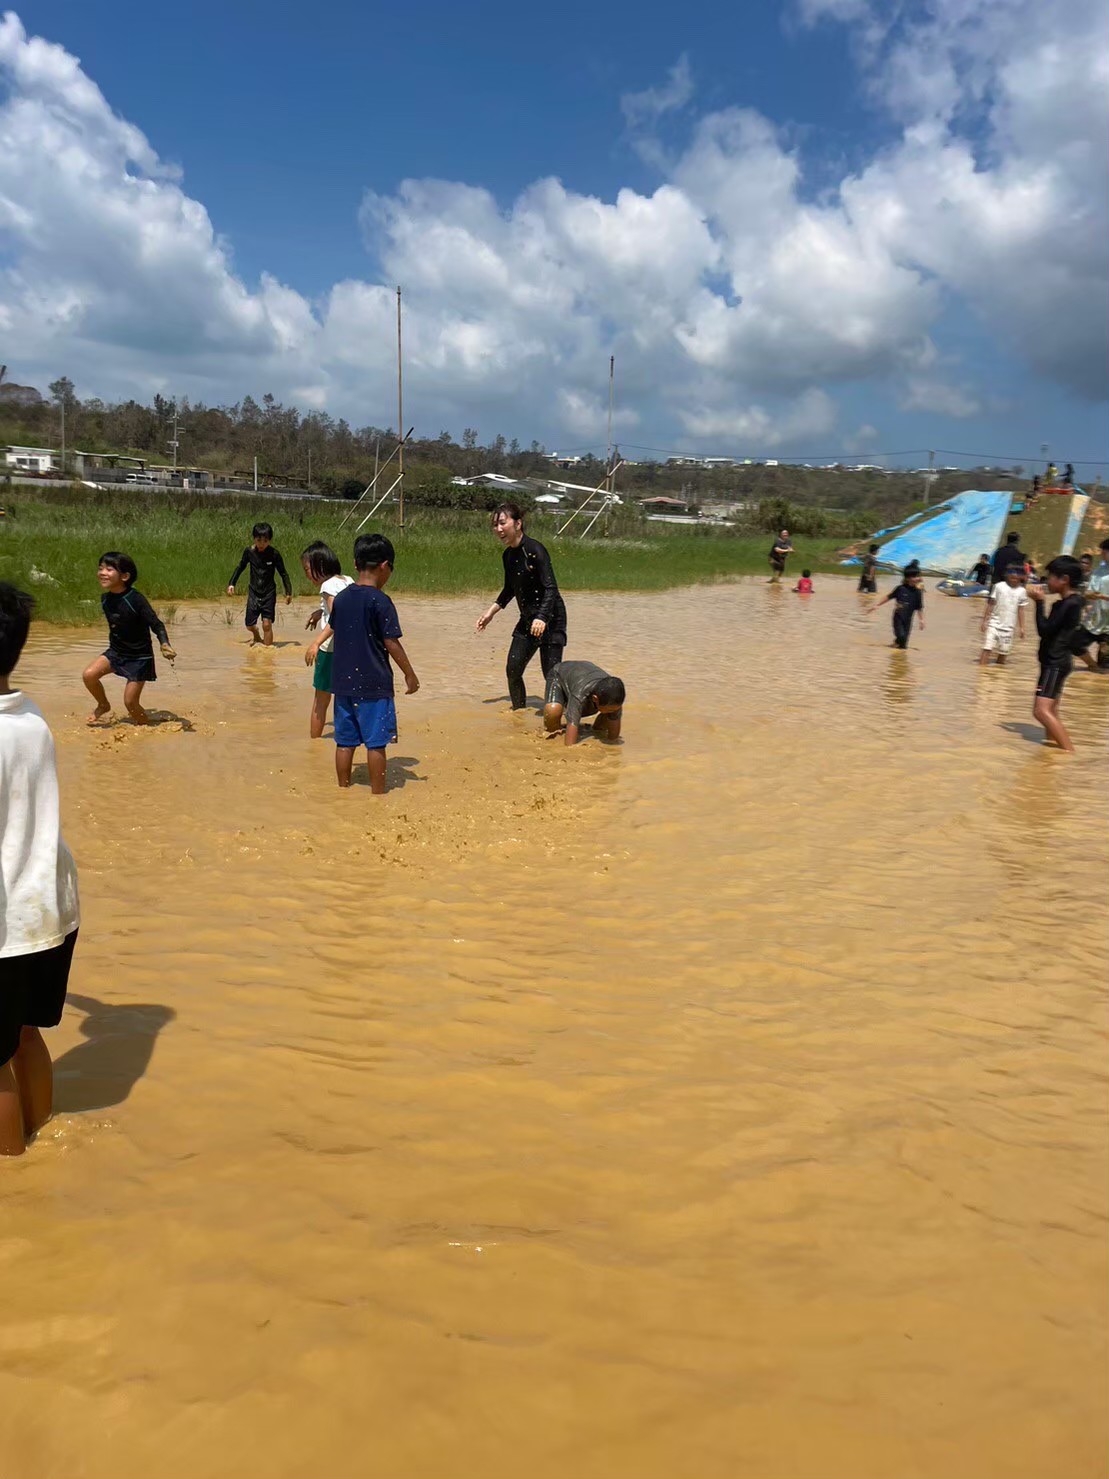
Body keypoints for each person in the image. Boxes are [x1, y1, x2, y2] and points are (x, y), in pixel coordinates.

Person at [0, 584, 80, 1156]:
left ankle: (18, 1174)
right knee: (25, 1038)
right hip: (50, 911)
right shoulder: (29, 716)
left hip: (6, 924)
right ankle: (45, 1137)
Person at [328, 533, 419, 794]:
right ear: (384, 566)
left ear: (356, 564)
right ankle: (378, 796)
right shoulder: (381, 601)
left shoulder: (342, 599)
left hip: (343, 685)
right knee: (376, 744)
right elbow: (391, 643)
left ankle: (342, 790)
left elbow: (337, 633)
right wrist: (409, 674)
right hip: (374, 686)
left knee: (344, 743)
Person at [475, 503, 567, 710]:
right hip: (528, 619)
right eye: (494, 525)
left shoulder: (535, 550)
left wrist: (542, 617)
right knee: (513, 669)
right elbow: (510, 588)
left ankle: (566, 716)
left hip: (551, 618)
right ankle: (518, 714)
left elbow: (551, 588)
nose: (498, 529)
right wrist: (490, 613)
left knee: (551, 675)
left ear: (518, 523)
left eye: (502, 523)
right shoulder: (508, 555)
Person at [83, 552, 176, 726]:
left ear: (125, 576)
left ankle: (145, 729)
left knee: (130, 703)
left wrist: (165, 643)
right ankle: (103, 705)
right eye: (100, 568)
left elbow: (156, 624)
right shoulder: (105, 599)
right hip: (116, 652)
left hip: (139, 658)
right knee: (89, 675)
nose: (102, 572)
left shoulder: (136, 600)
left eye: (109, 569)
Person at [1027, 555, 1084, 752]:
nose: (1047, 580)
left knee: (1040, 711)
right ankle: (1051, 754)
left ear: (1064, 579)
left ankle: (1068, 752)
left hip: (1055, 663)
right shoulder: (1067, 603)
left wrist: (1039, 603)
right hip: (1056, 662)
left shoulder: (1070, 603)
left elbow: (1044, 629)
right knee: (1051, 710)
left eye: (1051, 576)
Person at [301, 541, 354, 739]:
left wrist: (316, 643)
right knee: (347, 697)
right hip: (349, 649)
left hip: (330, 650)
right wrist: (319, 612)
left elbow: (337, 616)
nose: (306, 574)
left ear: (319, 566)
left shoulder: (327, 585)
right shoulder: (347, 580)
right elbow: (344, 609)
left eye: (307, 569)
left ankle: (314, 745)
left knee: (320, 701)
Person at [226, 522, 292, 645]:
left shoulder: (274, 554)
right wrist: (231, 584)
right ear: (254, 538)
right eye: (259, 540)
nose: (262, 544)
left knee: (267, 624)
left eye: (265, 541)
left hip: (269, 593)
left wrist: (288, 592)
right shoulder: (249, 552)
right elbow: (240, 567)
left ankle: (267, 654)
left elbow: (283, 573)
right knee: (249, 625)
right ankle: (256, 634)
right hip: (254, 593)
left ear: (270, 540)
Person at [543, 661, 625, 747]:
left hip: (585, 676)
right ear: (595, 699)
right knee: (553, 711)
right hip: (558, 674)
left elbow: (614, 738)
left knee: (611, 713)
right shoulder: (580, 694)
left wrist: (613, 748)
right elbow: (570, 742)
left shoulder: (614, 693)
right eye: (610, 710)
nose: (614, 711)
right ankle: (553, 734)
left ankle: (597, 730)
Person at [979, 565, 1030, 666]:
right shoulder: (999, 586)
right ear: (1007, 575)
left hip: (1008, 628)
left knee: (1003, 653)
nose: (1014, 579)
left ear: (1021, 577)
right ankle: (981, 671)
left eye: (1016, 577)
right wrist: (985, 621)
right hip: (994, 624)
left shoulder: (1022, 591)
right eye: (1012, 576)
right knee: (987, 648)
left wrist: (1022, 628)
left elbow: (1021, 610)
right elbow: (991, 604)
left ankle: (999, 675)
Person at [1071, 538, 1109, 672]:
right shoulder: (1099, 571)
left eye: (1105, 552)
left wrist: (1103, 597)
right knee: (1075, 644)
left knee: (1106, 664)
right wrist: (1090, 596)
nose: (1103, 555)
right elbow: (1088, 592)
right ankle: (1092, 666)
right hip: (1094, 619)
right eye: (1103, 552)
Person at [870, 572, 925, 648]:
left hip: (908, 620)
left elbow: (919, 607)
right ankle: (895, 643)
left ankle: (895, 651)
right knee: (901, 636)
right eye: (914, 577)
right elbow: (889, 597)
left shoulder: (918, 592)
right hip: (898, 617)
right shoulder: (900, 589)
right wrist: (877, 605)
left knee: (903, 646)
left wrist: (921, 620)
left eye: (917, 577)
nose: (917, 578)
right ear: (908, 579)